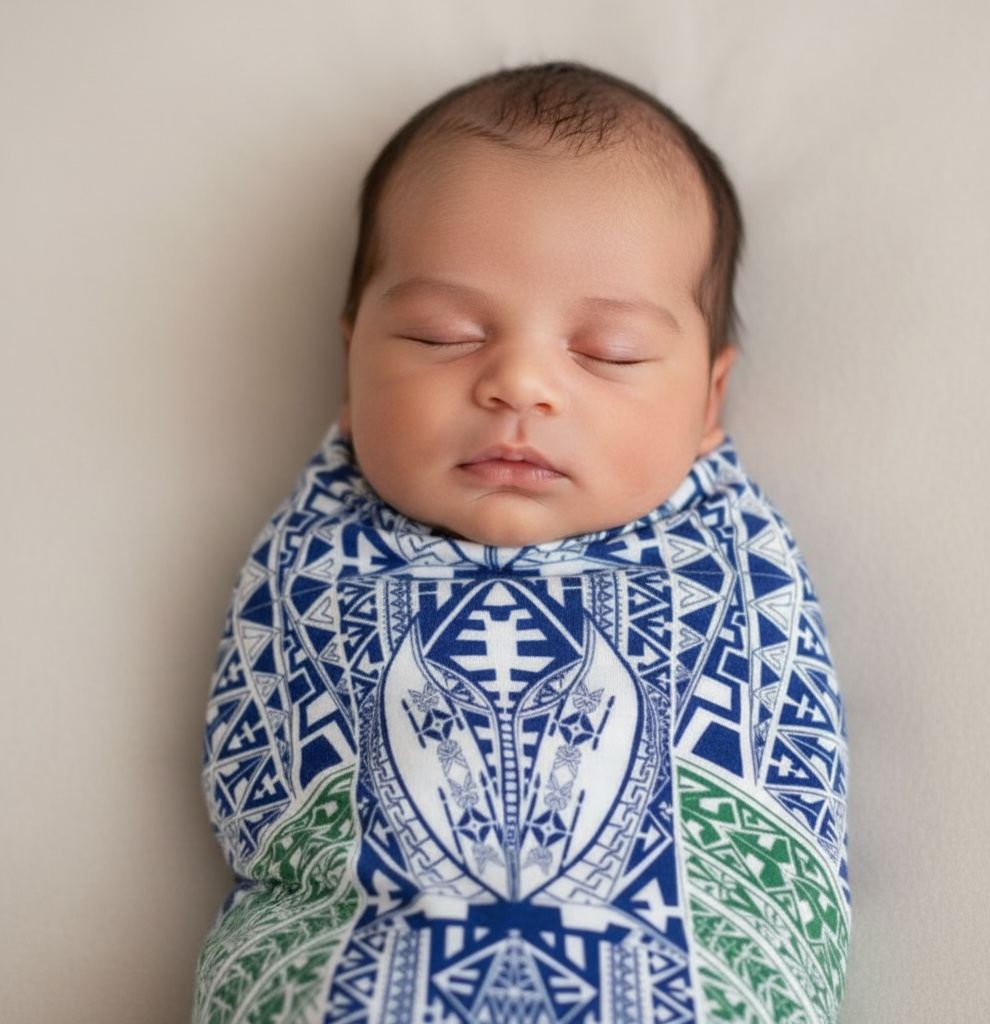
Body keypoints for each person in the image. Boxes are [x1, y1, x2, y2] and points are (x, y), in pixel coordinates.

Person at [194, 62, 849, 1024]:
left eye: (609, 352)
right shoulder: (320, 561)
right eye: (441, 334)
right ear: (351, 364)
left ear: (709, 400)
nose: (521, 384)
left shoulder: (729, 567)